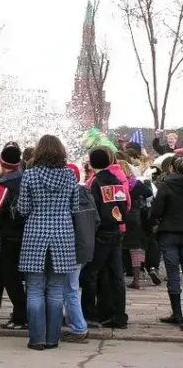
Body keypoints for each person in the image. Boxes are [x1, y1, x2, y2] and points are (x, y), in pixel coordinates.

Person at [17, 135, 78, 351]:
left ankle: (37, 339)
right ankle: (53, 339)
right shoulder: (70, 175)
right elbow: (75, 208)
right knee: (56, 290)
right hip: (63, 235)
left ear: (39, 152)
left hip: (35, 234)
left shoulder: (30, 175)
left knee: (34, 289)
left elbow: (23, 208)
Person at [80, 147, 128, 330]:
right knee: (117, 276)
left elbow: (93, 211)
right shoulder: (116, 181)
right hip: (116, 231)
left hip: (100, 234)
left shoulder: (94, 183)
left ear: (91, 163)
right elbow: (123, 206)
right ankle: (119, 315)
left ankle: (90, 314)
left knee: (90, 274)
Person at [0, 145, 27, 330]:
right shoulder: (25, 178)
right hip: (23, 235)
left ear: (1, 162)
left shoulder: (4, 185)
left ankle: (20, 316)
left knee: (11, 277)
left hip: (9, 237)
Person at [62, 164, 99, 343]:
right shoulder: (88, 194)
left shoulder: (68, 197)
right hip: (86, 247)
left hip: (72, 248)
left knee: (70, 288)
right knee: (71, 286)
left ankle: (79, 327)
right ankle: (71, 321)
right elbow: (97, 220)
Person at [151, 157, 183, 329]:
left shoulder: (166, 185)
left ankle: (177, 313)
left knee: (173, 273)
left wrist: (153, 225)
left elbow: (156, 210)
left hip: (169, 231)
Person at [119, 160, 153, 290]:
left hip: (121, 216)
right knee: (135, 249)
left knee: (119, 248)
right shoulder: (134, 183)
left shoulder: (116, 183)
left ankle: (118, 279)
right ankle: (136, 279)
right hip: (134, 218)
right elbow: (149, 193)